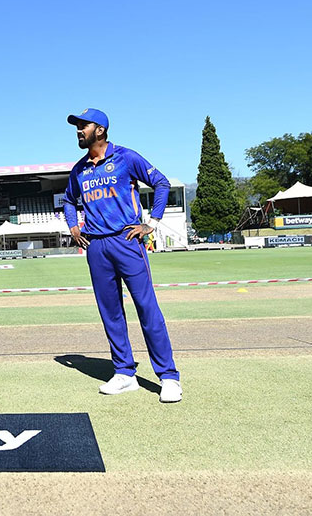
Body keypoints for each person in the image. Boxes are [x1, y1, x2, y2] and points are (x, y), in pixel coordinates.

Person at [61, 108, 181, 403]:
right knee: (110, 313)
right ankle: (125, 373)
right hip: (96, 247)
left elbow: (161, 183)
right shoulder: (79, 169)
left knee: (147, 308)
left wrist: (151, 223)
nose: (78, 130)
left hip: (127, 241)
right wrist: (74, 226)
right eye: (77, 126)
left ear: (100, 130)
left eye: (83, 125)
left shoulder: (126, 157)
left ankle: (168, 377)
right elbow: (68, 200)